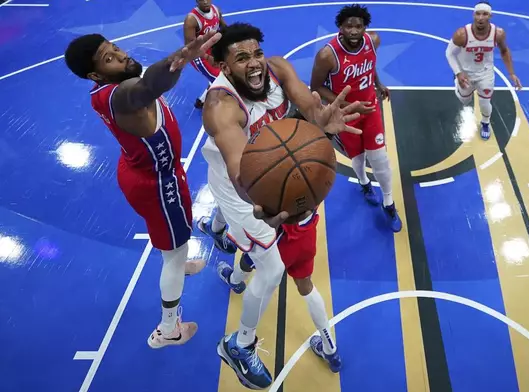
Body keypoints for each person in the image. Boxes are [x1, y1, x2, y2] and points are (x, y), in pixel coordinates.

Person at [200, 22, 362, 389]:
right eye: (241, 58)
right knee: (272, 269)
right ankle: (239, 345)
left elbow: (307, 105)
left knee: (255, 247)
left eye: (256, 53)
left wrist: (321, 121)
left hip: (270, 174)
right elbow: (243, 176)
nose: (254, 63)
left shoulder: (278, 68)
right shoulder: (221, 107)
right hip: (239, 187)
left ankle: (222, 234)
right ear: (224, 68)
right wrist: (262, 203)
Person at [63, 30, 220, 349]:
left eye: (115, 48)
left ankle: (177, 255)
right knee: (175, 252)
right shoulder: (124, 95)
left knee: (172, 237)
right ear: (95, 74)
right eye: (108, 58)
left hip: (141, 171)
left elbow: (145, 81)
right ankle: (169, 329)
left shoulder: (104, 90)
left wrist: (179, 57)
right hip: (159, 184)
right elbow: (149, 86)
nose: (121, 55)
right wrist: (182, 57)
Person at [310, 4, 402, 233]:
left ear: (365, 28)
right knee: (358, 157)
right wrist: (348, 104)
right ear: (340, 27)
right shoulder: (326, 55)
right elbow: (316, 86)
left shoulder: (374, 41)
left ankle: (389, 203)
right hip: (346, 113)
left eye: (358, 26)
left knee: (379, 157)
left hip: (370, 108)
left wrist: (378, 84)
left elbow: (369, 65)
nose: (353, 30)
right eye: (348, 26)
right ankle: (364, 184)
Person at [234, 208, 343, 373]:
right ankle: (330, 350)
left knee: (250, 257)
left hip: (284, 238)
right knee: (306, 286)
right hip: (307, 235)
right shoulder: (319, 182)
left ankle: (234, 280)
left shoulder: (284, 185)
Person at [445, 1, 522, 140]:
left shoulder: (498, 34)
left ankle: (485, 123)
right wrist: (458, 72)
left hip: (485, 73)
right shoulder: (462, 34)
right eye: (478, 14)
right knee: (464, 101)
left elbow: (504, 51)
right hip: (466, 74)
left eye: (484, 14)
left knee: (485, 102)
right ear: (473, 15)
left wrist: (512, 73)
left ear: (490, 16)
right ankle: (457, 84)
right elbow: (449, 53)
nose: (480, 18)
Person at [183, 0, 226, 109]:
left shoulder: (216, 9)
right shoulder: (191, 19)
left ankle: (201, 100)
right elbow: (190, 47)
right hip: (198, 55)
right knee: (223, 80)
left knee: (224, 73)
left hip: (213, 49)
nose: (206, 1)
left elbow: (224, 28)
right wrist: (207, 57)